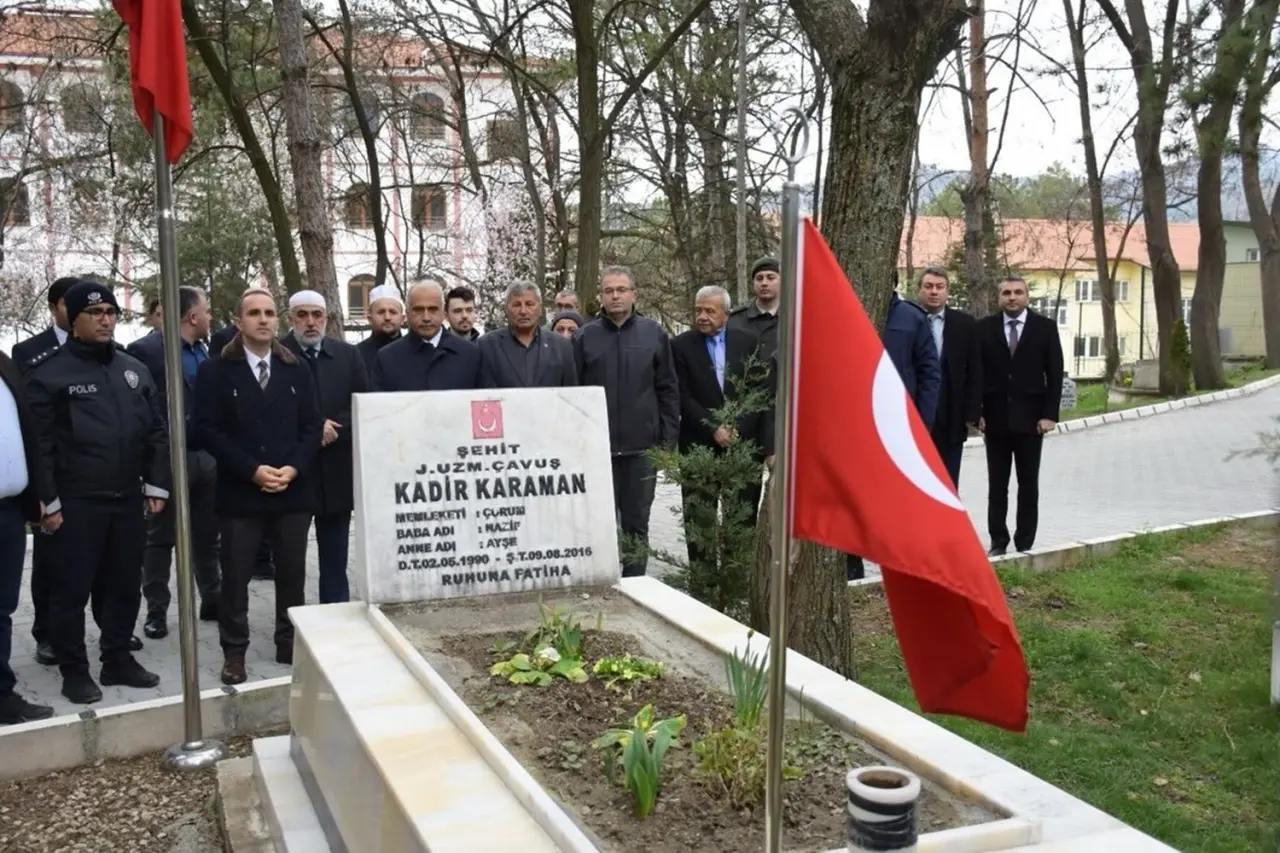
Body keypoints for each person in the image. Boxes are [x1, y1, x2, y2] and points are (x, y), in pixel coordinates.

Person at [25, 281, 170, 704]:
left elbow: (156, 431)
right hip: (76, 503)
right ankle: (74, 669)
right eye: (95, 313)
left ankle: (118, 657)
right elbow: (41, 445)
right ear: (73, 320)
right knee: (71, 592)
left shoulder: (132, 369)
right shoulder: (50, 373)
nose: (106, 319)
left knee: (124, 585)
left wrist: (156, 483)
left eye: (111, 311)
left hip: (126, 499)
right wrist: (47, 502)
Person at [126, 286, 221, 638]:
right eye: (206, 311)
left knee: (208, 536)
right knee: (159, 538)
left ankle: (212, 598)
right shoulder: (147, 350)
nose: (210, 317)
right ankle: (157, 610)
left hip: (206, 457)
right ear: (192, 316)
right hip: (166, 459)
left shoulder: (207, 351)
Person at [574, 266, 679, 577]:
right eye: (609, 291)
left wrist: (666, 443)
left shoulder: (654, 334)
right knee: (597, 524)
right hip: (597, 452)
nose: (615, 296)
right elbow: (573, 395)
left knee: (636, 524)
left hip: (641, 451)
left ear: (634, 294)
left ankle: (636, 586)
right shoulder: (584, 337)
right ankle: (599, 583)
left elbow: (668, 390)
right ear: (601, 297)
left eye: (621, 289)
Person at [670, 285, 769, 580]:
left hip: (742, 444)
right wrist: (713, 428)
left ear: (726, 314)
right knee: (699, 519)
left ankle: (737, 581)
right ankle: (702, 583)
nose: (702, 316)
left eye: (709, 311)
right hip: (698, 444)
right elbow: (682, 395)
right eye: (698, 310)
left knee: (741, 518)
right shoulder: (681, 346)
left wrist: (739, 427)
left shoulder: (747, 341)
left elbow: (758, 390)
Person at [281, 290, 368, 604]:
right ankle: (290, 627)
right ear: (290, 318)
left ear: (326, 318)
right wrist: (313, 430)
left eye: (317, 315)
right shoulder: (277, 354)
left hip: (335, 472)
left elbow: (361, 404)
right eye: (302, 315)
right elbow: (267, 410)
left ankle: (335, 619)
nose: (310, 322)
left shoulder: (347, 355)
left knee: (335, 557)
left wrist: (333, 428)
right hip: (292, 473)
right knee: (290, 560)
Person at [978, 275, 1064, 555]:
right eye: (1006, 293)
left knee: (1028, 484)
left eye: (1017, 292)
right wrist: (977, 412)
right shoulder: (985, 329)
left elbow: (1054, 374)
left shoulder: (1045, 328)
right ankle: (998, 541)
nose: (1012, 297)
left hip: (1032, 422)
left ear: (1026, 296)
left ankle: (1025, 541)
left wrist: (1050, 415)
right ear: (999, 297)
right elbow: (977, 374)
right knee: (997, 485)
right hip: (995, 420)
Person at [0, 347, 52, 724]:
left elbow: (27, 432)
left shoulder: (3, 363)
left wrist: (37, 502)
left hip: (9, 511)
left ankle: (2, 695)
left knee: (2, 610)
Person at [915, 265, 981, 487]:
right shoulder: (907, 319)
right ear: (919, 290)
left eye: (940, 287)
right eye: (929, 286)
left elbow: (974, 371)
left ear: (947, 291)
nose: (934, 292)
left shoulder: (965, 325)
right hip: (915, 413)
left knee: (948, 481)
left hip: (951, 416)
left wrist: (972, 413)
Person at [374, 280, 482, 392]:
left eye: (433, 309)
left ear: (443, 313)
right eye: (418, 310)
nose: (426, 317)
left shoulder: (471, 354)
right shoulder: (387, 358)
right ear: (408, 313)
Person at [478, 282, 578, 388]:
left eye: (529, 304)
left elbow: (571, 394)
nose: (523, 311)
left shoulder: (561, 346)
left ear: (540, 308)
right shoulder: (487, 346)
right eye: (516, 305)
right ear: (506, 309)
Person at [728, 257, 781, 360]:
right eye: (759, 278)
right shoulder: (734, 321)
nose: (764, 283)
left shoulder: (793, 320)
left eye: (770, 278)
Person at [355, 284, 404, 368]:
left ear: (403, 319)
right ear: (370, 319)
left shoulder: (416, 353)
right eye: (381, 312)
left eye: (392, 312)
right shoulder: (356, 355)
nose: (387, 317)